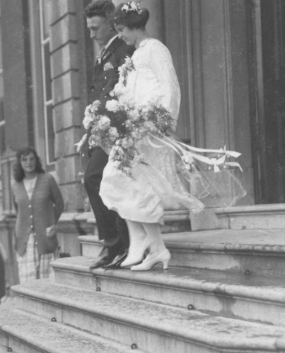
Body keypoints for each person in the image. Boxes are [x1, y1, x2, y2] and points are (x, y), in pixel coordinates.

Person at [99, 2, 204, 271]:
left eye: (122, 30)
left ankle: (153, 247)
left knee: (135, 183)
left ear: (134, 26)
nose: (120, 35)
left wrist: (161, 123)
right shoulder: (134, 55)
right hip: (135, 130)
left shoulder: (156, 49)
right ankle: (149, 246)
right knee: (119, 181)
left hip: (150, 129)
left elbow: (170, 87)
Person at [82, 0, 134, 269]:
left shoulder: (124, 49)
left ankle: (116, 242)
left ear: (110, 23)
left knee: (95, 178)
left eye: (95, 28)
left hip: (118, 131)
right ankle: (118, 243)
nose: (91, 34)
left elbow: (123, 91)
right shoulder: (104, 53)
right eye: (89, 29)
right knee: (103, 181)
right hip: (101, 132)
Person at [12, 147, 64, 283]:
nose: (29, 162)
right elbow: (18, 211)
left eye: (32, 159)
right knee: (27, 282)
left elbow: (60, 204)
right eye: (24, 159)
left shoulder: (48, 180)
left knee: (48, 281)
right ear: (19, 163)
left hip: (45, 239)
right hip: (25, 242)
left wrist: (50, 223)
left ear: (36, 160)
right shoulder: (15, 185)